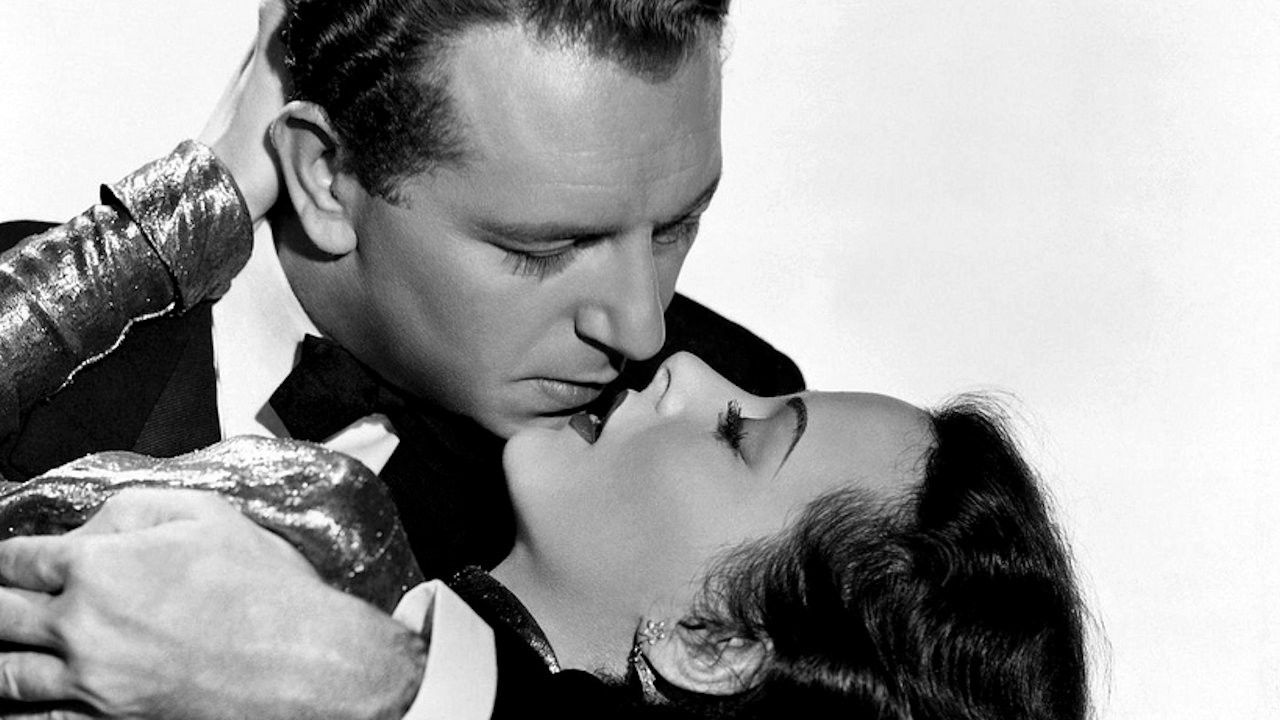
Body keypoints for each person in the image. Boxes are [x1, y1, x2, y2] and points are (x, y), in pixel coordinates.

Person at [0, 0, 803, 580]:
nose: (641, 330)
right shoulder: (27, 298)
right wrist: (189, 205)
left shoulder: (722, 424)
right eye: (547, 247)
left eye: (677, 226)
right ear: (327, 176)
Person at [0, 352, 1089, 719]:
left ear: (711, 643)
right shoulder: (374, 492)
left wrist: (364, 678)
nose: (681, 366)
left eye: (741, 434)